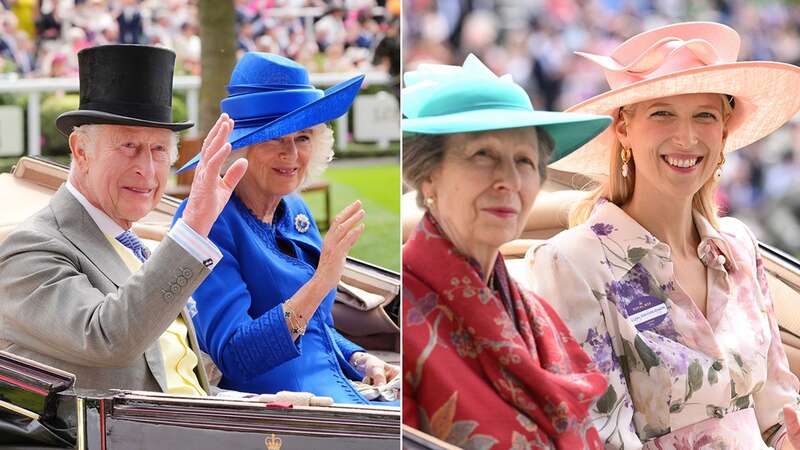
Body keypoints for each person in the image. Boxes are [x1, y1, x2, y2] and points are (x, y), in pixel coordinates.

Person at [525, 22, 800, 449]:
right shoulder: (571, 262)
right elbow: (600, 436)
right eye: (662, 113)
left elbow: (778, 416)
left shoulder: (738, 245)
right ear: (623, 129)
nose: (687, 137)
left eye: (704, 116)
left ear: (724, 131)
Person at [0, 45, 247, 394]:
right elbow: (107, 337)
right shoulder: (30, 250)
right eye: (128, 146)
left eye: (159, 150)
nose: (146, 170)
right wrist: (193, 227)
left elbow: (178, 378)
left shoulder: (138, 246)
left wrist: (251, 403)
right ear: (81, 151)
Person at [402, 54, 613, 449]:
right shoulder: (406, 318)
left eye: (524, 161)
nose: (509, 181)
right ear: (428, 174)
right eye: (483, 155)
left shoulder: (538, 314)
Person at [173, 52, 398, 404]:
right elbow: (235, 356)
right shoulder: (209, 221)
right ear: (241, 146)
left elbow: (313, 329)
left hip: (331, 385)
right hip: (283, 411)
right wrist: (324, 278)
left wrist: (357, 357)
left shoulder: (293, 208)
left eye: (303, 137)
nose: (291, 154)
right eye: (275, 138)